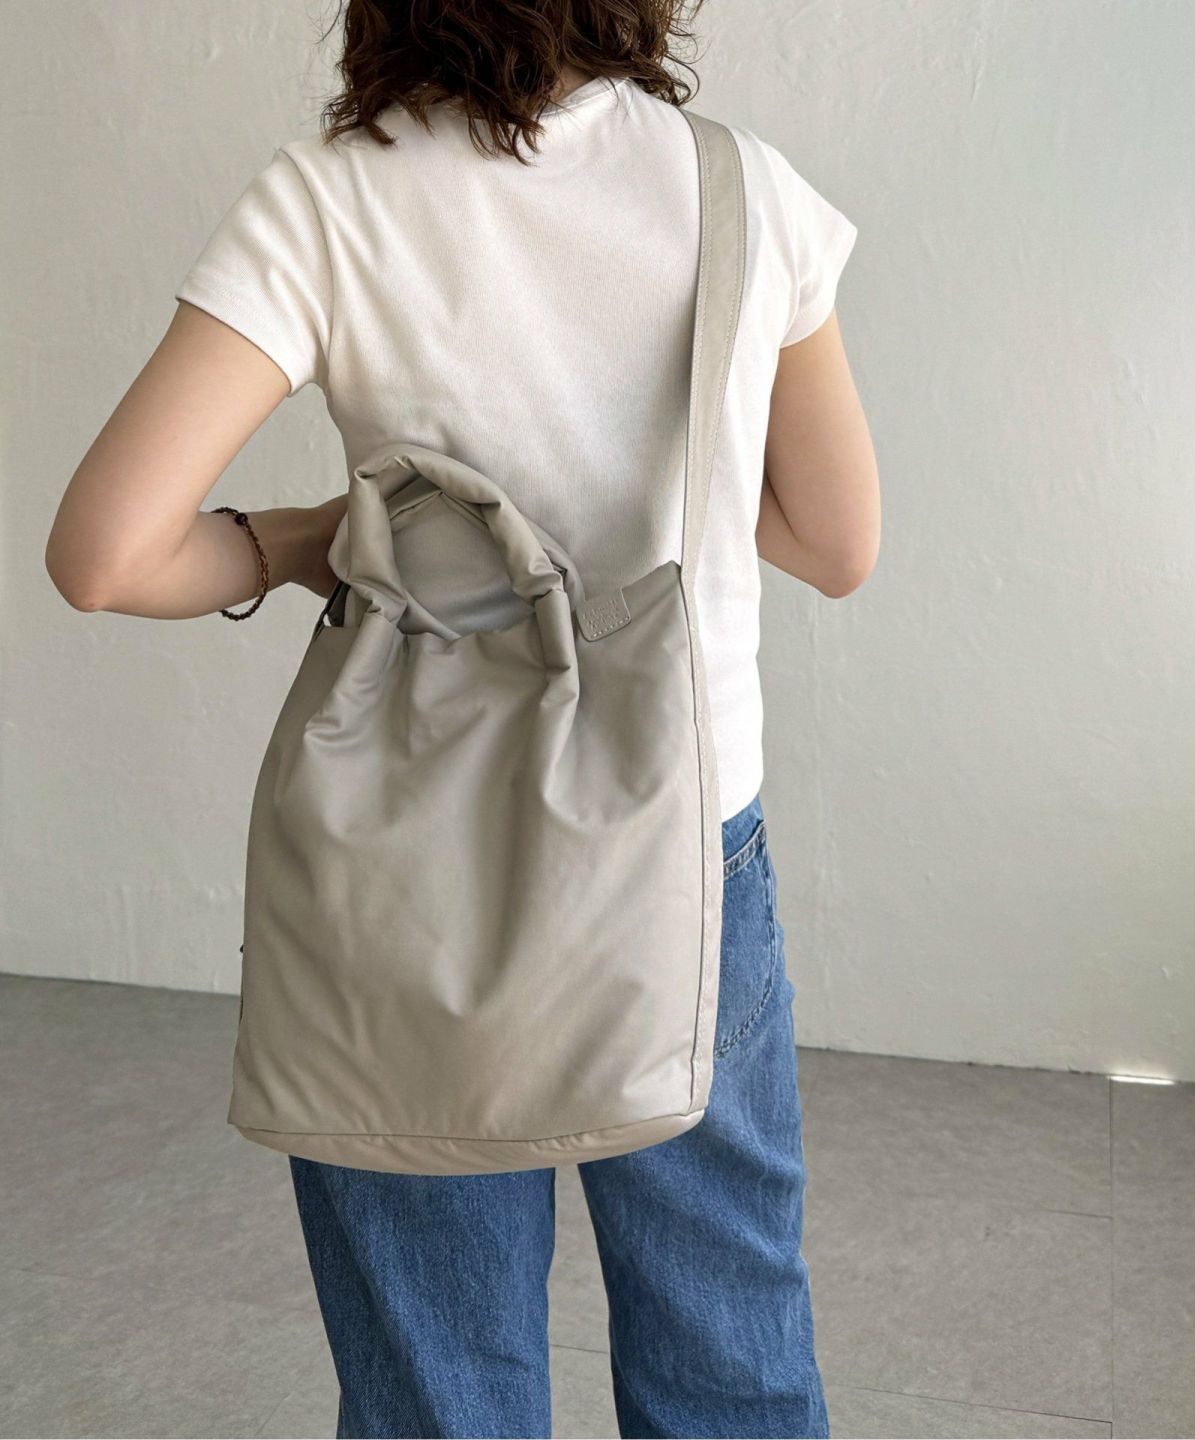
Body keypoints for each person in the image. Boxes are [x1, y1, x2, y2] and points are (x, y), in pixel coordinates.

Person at [45, 1, 880, 1435]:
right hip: (685, 846)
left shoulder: (328, 200)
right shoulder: (743, 189)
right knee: (724, 1344)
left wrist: (312, 539)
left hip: (408, 862)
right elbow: (837, 540)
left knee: (438, 1379)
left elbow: (106, 557)